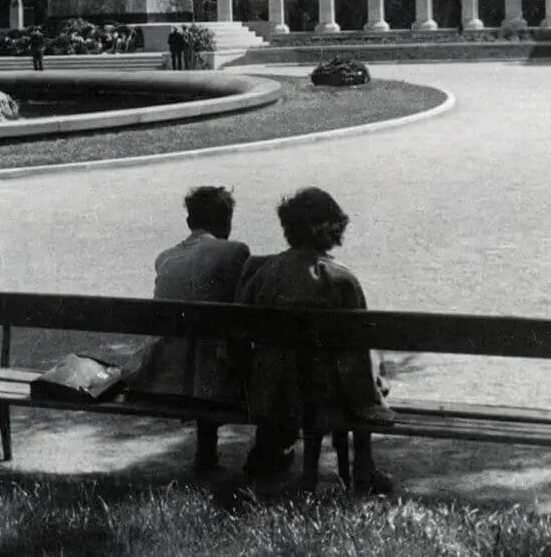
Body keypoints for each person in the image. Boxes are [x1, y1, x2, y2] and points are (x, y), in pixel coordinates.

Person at [235, 187, 394, 495]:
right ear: (326, 228)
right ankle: (363, 466)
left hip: (272, 391)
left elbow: (245, 333)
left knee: (281, 360)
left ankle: (267, 451)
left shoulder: (264, 271)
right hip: (324, 392)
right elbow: (357, 348)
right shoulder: (340, 278)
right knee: (362, 367)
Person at [126, 186, 251, 472]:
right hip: (210, 381)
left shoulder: (165, 257)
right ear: (227, 222)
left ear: (188, 222)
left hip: (161, 374)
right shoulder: (234, 252)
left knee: (199, 346)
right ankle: (266, 452)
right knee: (220, 348)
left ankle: (207, 452)